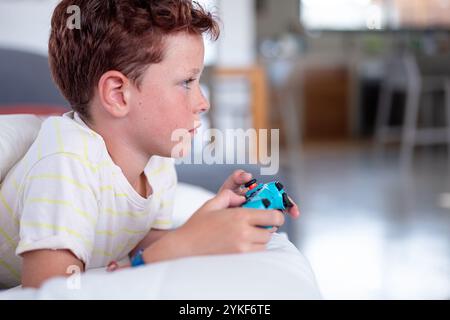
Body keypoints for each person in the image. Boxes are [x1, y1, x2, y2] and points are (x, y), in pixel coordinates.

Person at [0, 0, 299, 289]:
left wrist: (208, 225)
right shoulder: (66, 161)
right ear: (118, 94)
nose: (203, 103)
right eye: (186, 83)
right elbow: (51, 290)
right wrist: (178, 247)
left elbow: (145, 250)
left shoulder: (156, 165)